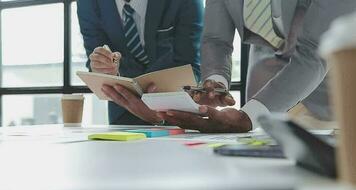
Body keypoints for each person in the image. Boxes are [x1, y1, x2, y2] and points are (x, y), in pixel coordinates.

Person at [157, 0, 356, 133]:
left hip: (335, 97)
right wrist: (215, 83)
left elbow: (314, 51)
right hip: (263, 91)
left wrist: (250, 116)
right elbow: (216, 39)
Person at [77, 0, 203, 125]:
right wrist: (103, 68)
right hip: (123, 115)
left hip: (177, 115)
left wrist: (162, 111)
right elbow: (95, 59)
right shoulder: (88, 3)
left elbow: (191, 66)